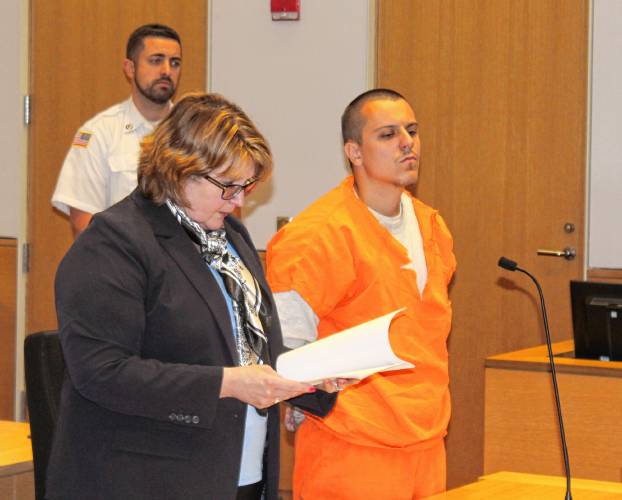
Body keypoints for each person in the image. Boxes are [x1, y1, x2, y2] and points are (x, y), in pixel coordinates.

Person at [46, 92, 340, 500]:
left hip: (239, 471)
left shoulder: (230, 235)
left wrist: (308, 377)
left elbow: (244, 345)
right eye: (229, 186)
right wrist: (226, 384)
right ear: (179, 168)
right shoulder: (113, 242)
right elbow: (101, 371)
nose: (240, 201)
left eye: (247, 186)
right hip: (146, 480)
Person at [266, 88, 457, 499]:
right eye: (387, 135)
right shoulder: (318, 234)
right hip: (353, 443)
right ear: (354, 151)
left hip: (426, 439)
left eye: (412, 130)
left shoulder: (432, 227)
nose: (407, 142)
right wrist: (306, 401)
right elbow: (283, 347)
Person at [51, 23, 182, 237]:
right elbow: (83, 223)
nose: (167, 71)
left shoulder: (195, 132)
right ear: (130, 68)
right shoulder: (99, 134)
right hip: (122, 264)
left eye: (175, 63)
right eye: (156, 60)